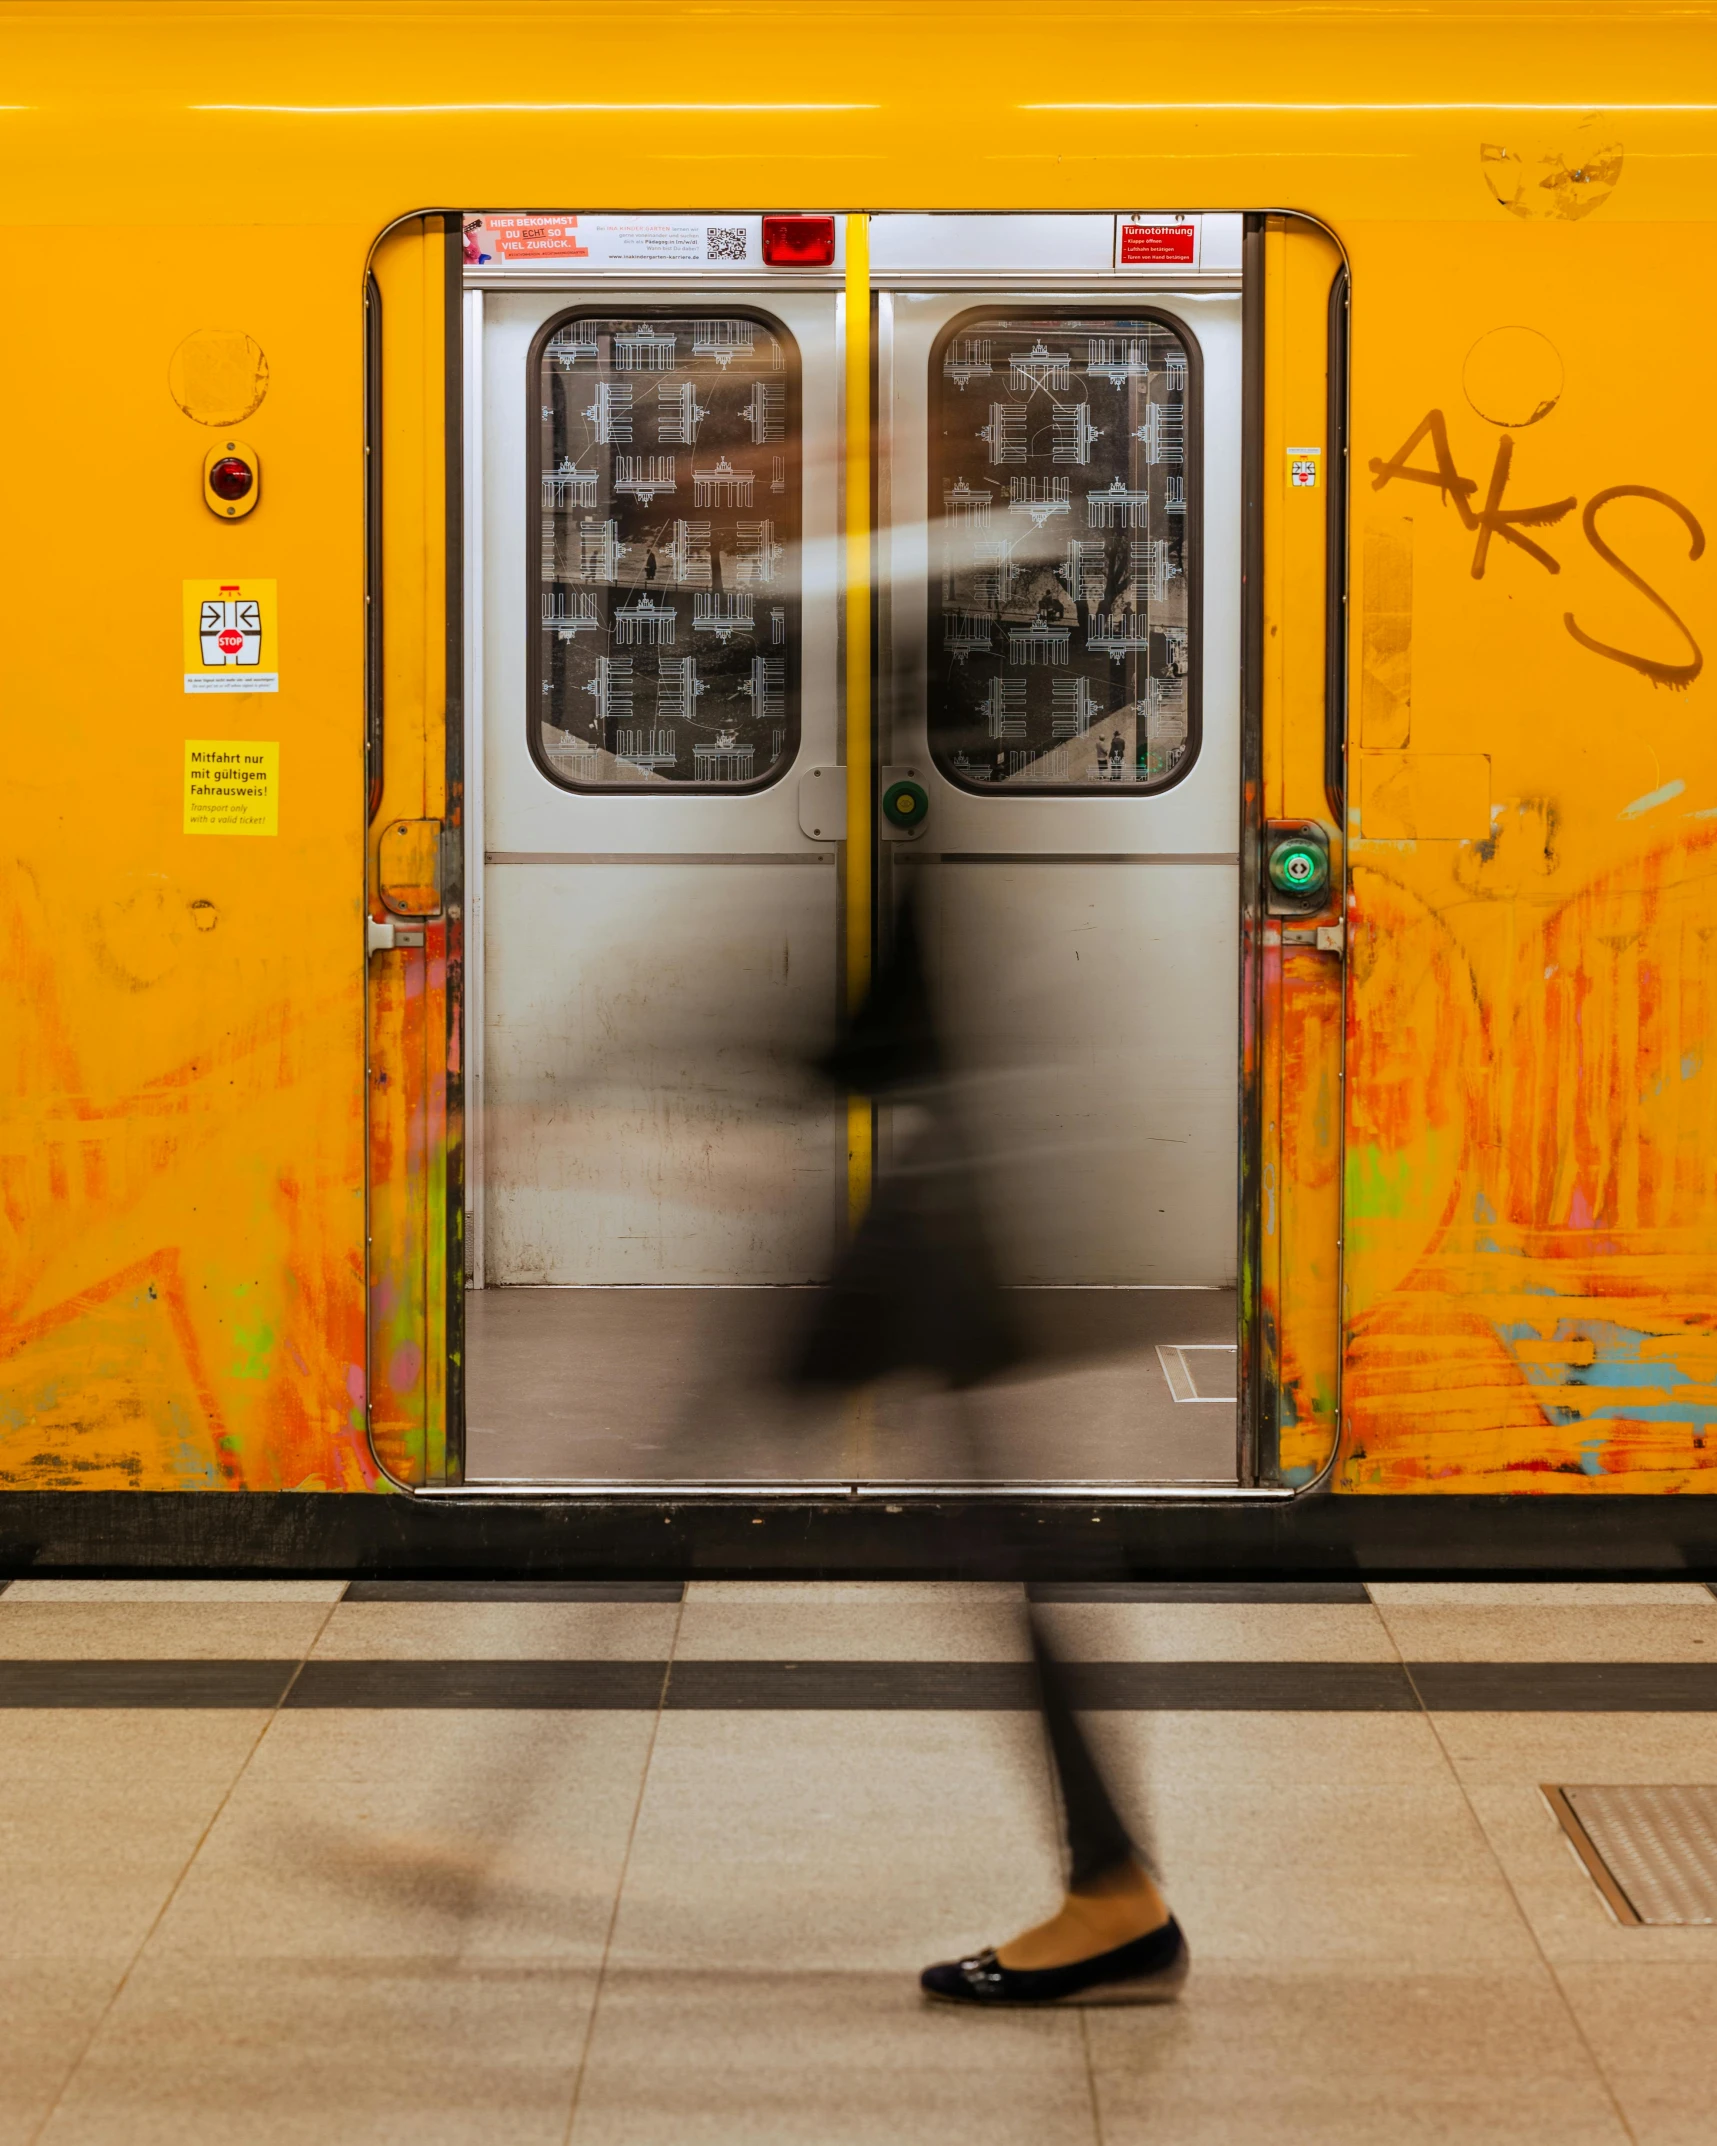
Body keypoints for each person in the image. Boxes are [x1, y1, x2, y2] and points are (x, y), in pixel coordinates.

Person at [790, 887, 1190, 2006]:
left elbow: (907, 978)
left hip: (973, 1191)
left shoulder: (907, 736)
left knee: (1005, 1541)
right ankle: (1113, 1891)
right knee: (1005, 1544)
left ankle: (1115, 1898)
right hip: (974, 1178)